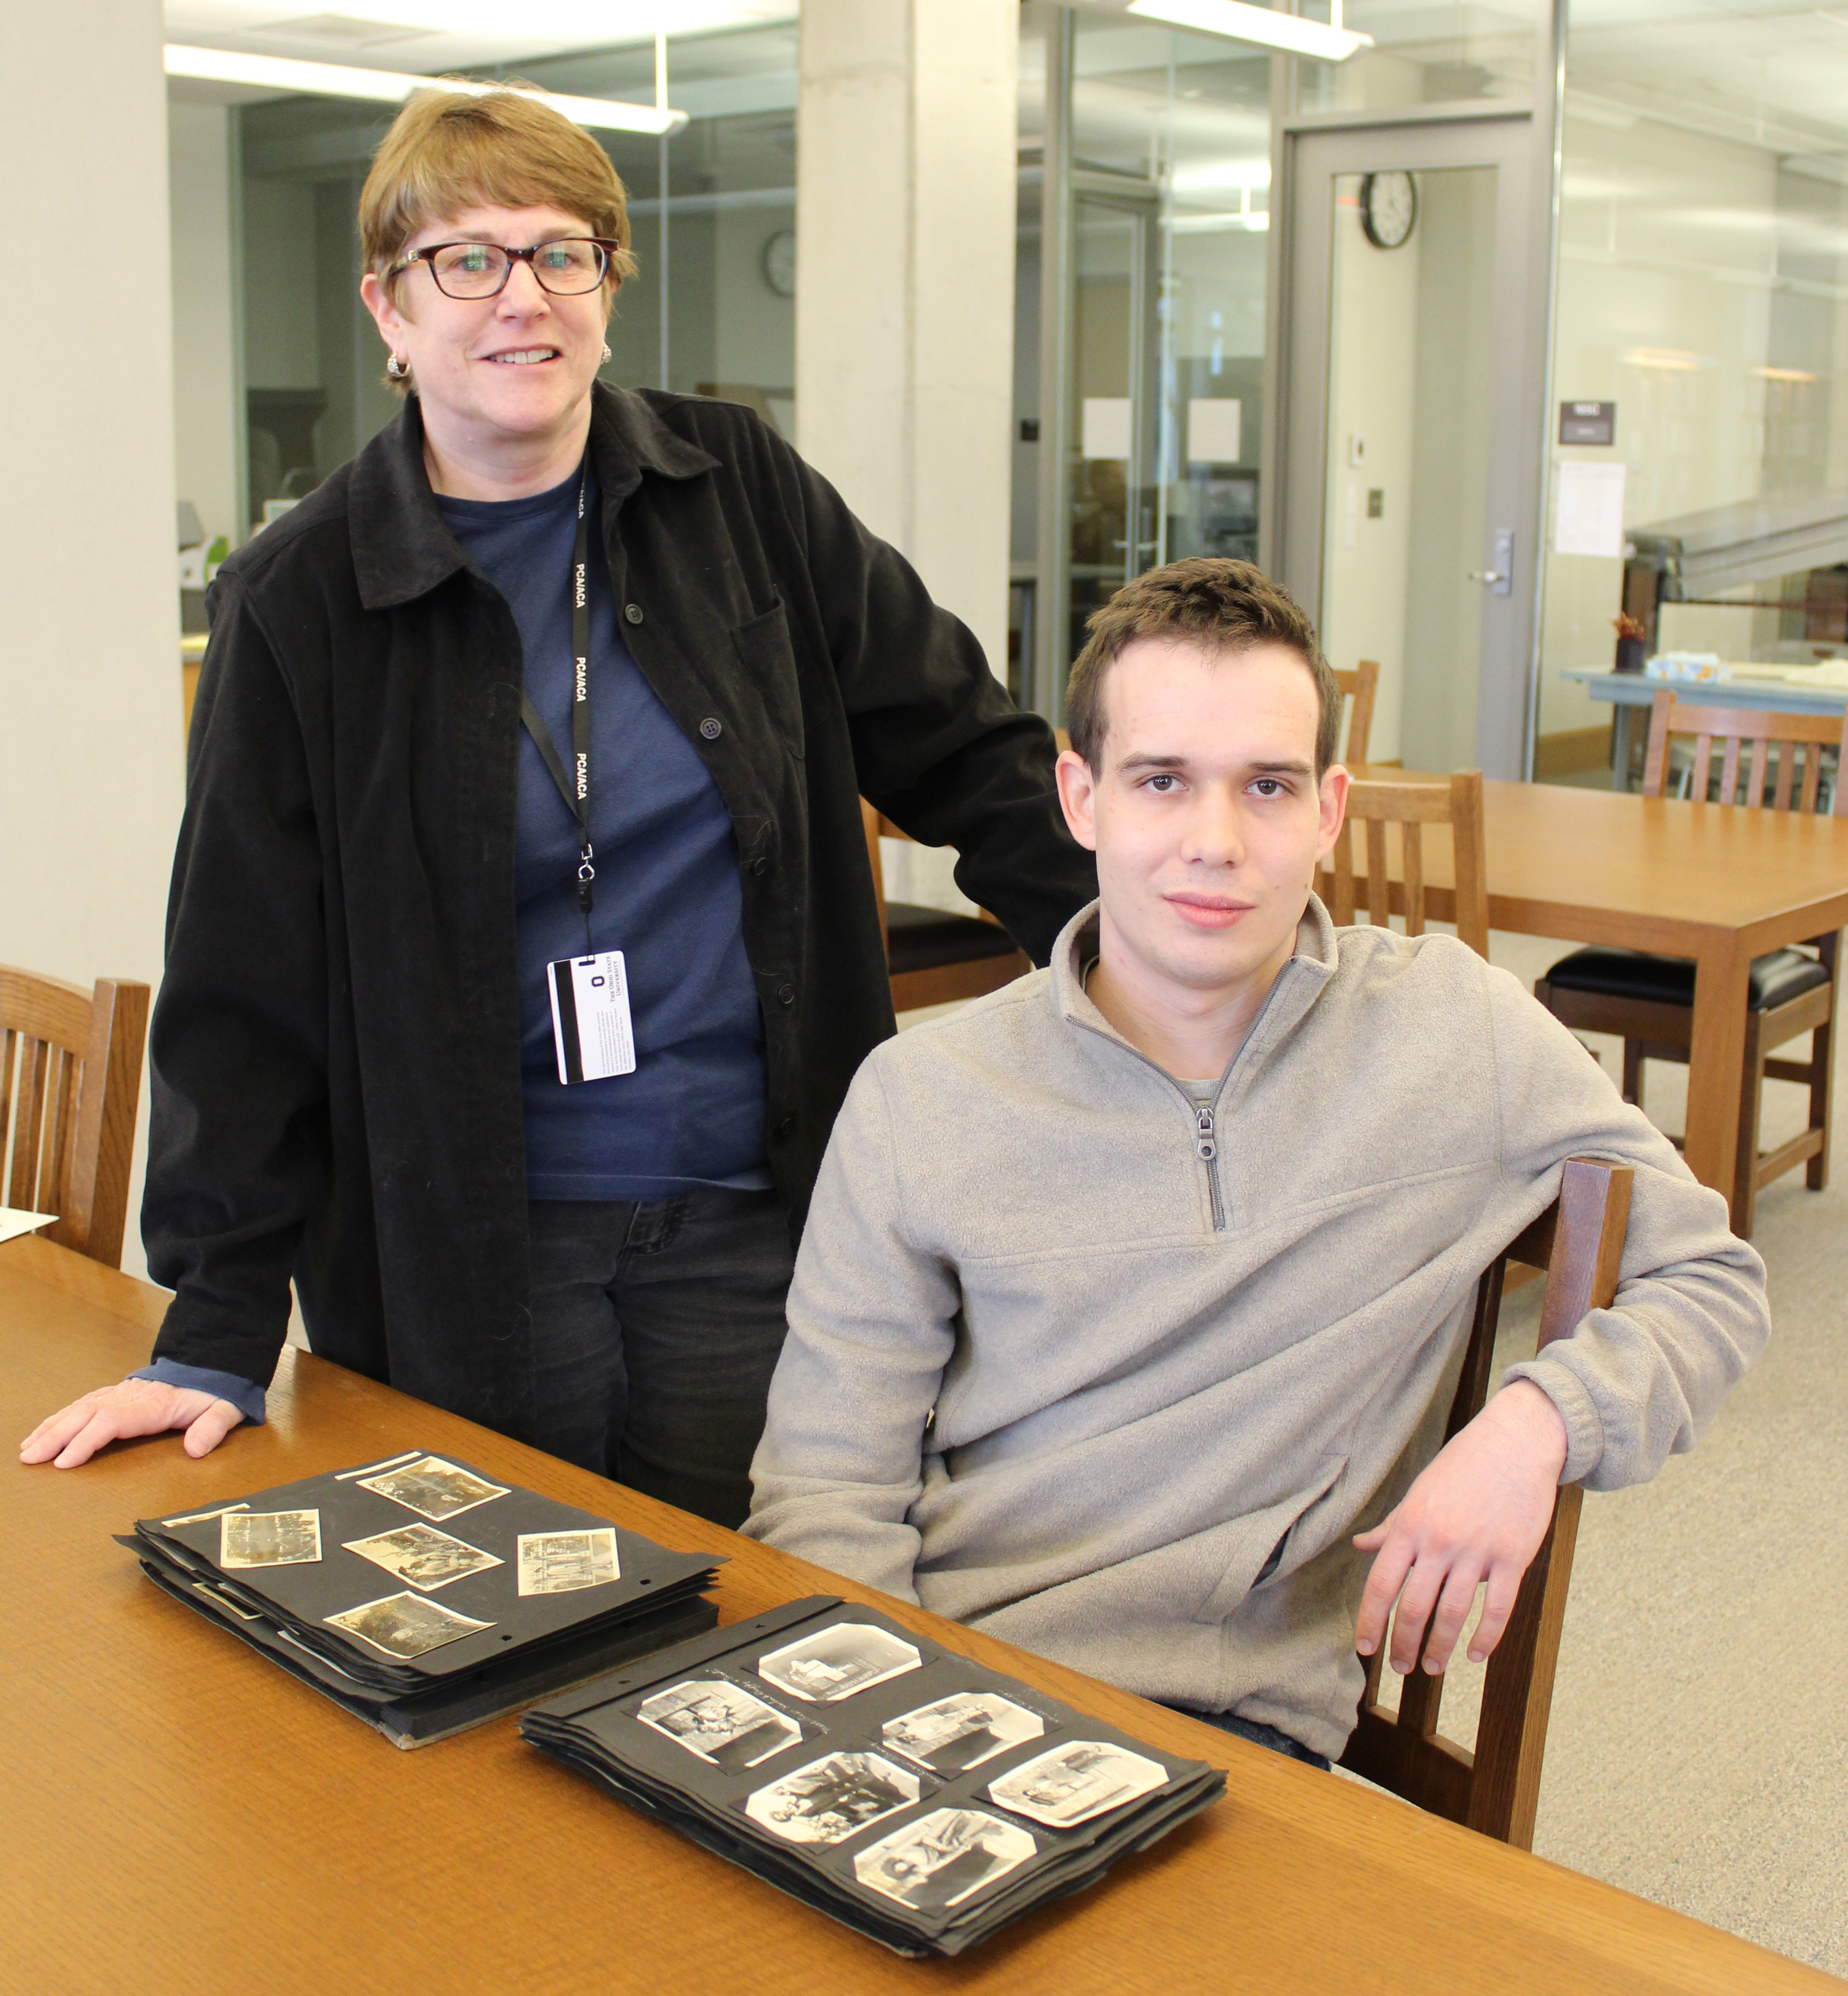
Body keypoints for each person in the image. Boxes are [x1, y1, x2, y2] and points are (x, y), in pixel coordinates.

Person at [19, 85, 1092, 1525]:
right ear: (388, 312)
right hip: (469, 1251)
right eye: (465, 258)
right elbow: (242, 983)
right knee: (489, 1655)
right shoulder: (298, 600)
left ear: (604, 283)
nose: (520, 296)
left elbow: (971, 748)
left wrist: (1152, 968)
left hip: (761, 1217)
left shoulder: (741, 493)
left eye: (560, 252)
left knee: (745, 1630)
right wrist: (217, 1322)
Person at [742, 557, 1770, 1767]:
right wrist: (877, 1732)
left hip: (1223, 1727)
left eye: (1268, 787)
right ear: (1081, 800)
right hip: (930, 1678)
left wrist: (1538, 1420)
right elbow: (826, 1487)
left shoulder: (1458, 1033)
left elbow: (1712, 1278)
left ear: (1331, 810)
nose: (1215, 843)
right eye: (1162, 781)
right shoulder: (923, 1096)